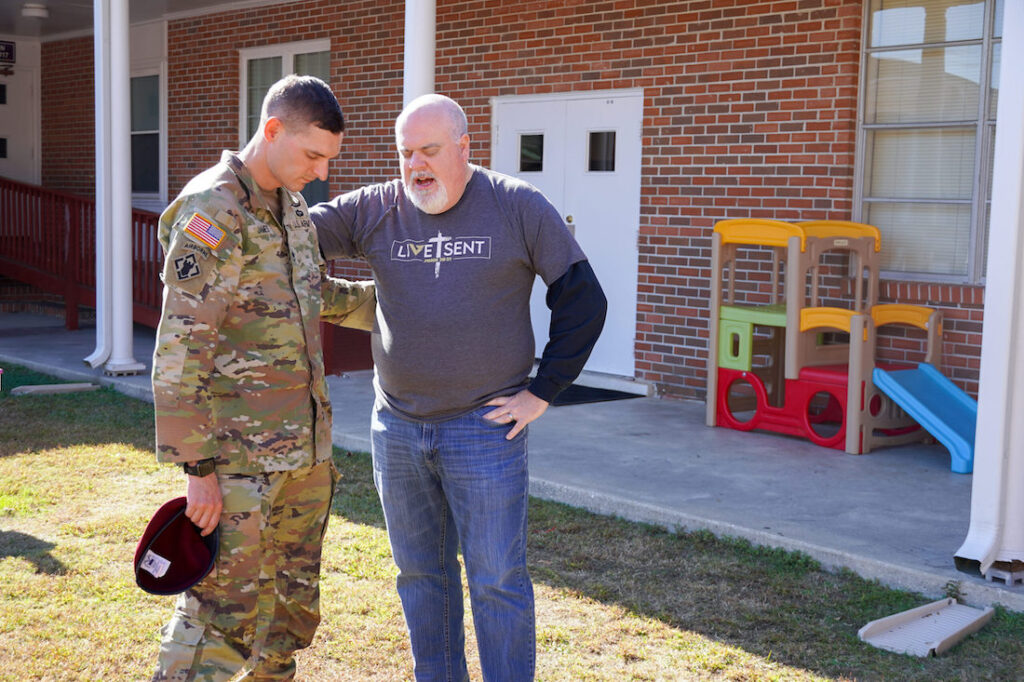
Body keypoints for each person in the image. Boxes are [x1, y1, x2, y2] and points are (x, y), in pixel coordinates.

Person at [311, 93, 607, 681]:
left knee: (496, 580)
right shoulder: (376, 208)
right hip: (396, 426)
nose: (416, 165)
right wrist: (226, 203)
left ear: (465, 147)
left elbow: (583, 297)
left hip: (484, 426)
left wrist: (542, 391)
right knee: (421, 577)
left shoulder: (516, 205)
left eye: (429, 150)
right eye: (405, 153)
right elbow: (290, 234)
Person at [149, 74, 374, 681]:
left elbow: (311, 293)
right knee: (222, 616)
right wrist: (198, 473)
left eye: (329, 159)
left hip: (302, 455)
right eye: (312, 155)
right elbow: (180, 350)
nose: (322, 172)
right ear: (273, 130)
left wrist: (397, 302)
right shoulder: (213, 210)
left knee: (287, 612)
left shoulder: (291, 206)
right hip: (237, 461)